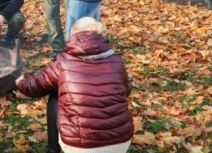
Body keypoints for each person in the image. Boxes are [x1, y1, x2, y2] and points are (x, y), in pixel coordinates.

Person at [16, 17, 134, 153]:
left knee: (55, 95)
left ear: (74, 33)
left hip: (80, 145)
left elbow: (34, 88)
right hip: (121, 141)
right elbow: (126, 92)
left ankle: (53, 150)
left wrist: (20, 82)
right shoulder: (117, 61)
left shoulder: (63, 62)